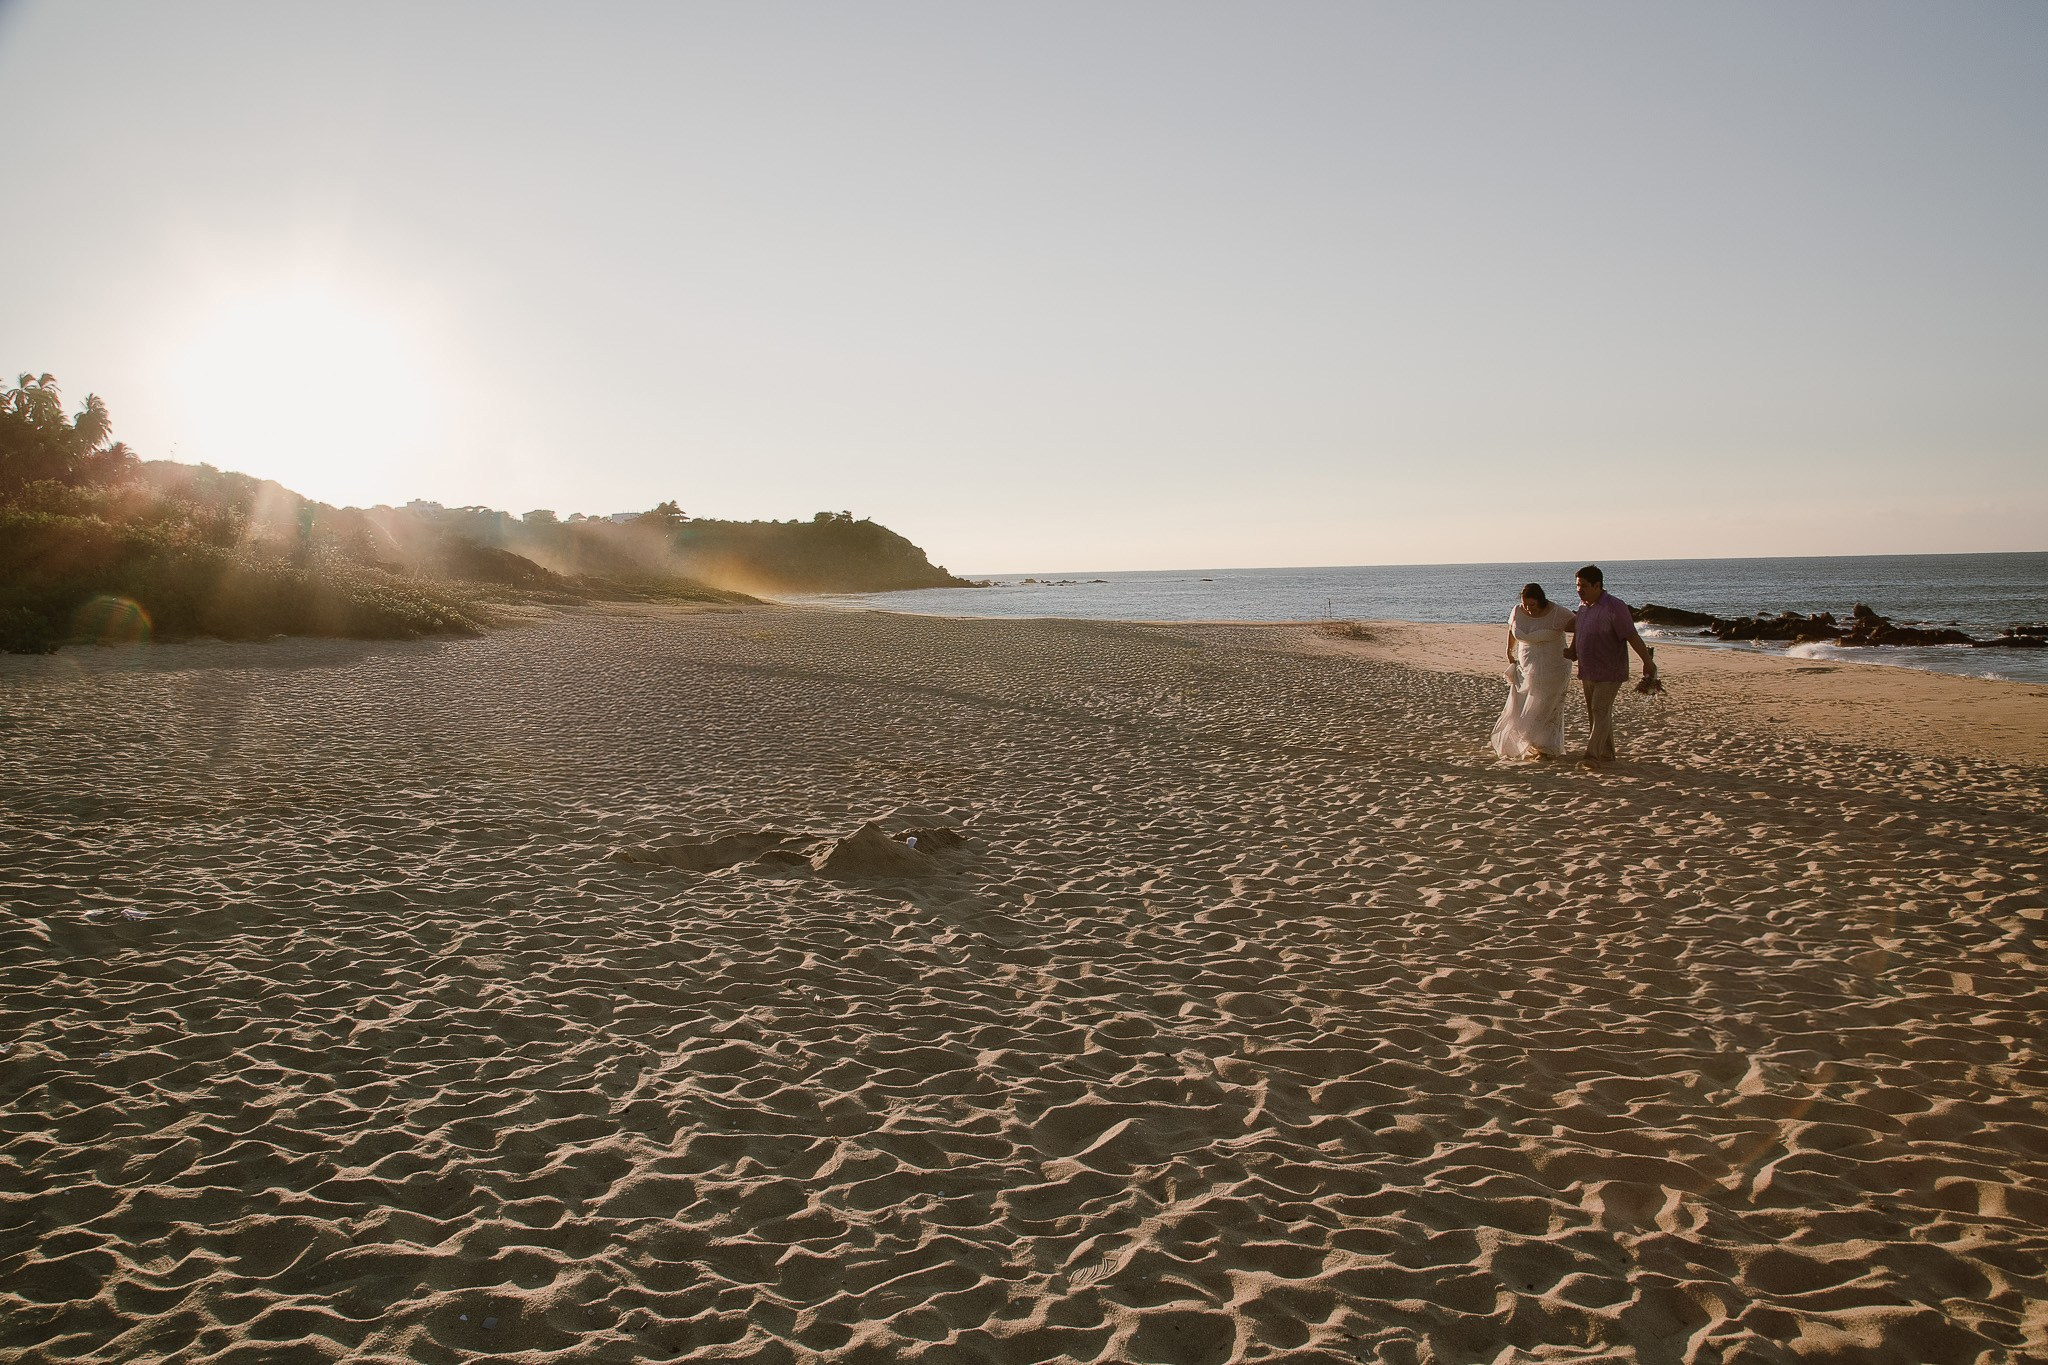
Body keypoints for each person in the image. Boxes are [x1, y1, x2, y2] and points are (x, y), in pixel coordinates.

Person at [1562, 564, 1657, 767]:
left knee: (1600, 709)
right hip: (1588, 669)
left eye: (1584, 586)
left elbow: (1631, 635)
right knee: (1595, 712)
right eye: (1577, 585)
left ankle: (1591, 756)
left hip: (1610, 669)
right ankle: (1606, 754)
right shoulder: (1582, 606)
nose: (1579, 589)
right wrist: (1572, 651)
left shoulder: (1615, 606)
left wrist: (1647, 662)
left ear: (1598, 585)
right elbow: (1580, 631)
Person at [1490, 582, 1575, 760]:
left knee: (1546, 706)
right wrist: (1508, 650)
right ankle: (1532, 742)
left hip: (1554, 667)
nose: (1528, 609)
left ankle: (1546, 748)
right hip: (1526, 666)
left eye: (1532, 605)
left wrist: (1574, 649)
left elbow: (1581, 625)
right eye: (1525, 604)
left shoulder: (1556, 612)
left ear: (1541, 601)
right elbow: (1512, 629)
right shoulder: (1517, 611)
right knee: (1523, 704)